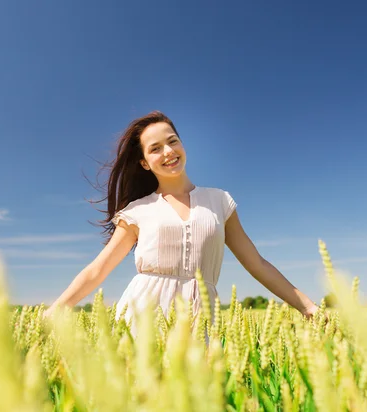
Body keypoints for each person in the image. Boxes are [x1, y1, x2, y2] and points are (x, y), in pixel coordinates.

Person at [42, 111, 319, 331]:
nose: (168, 152)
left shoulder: (220, 201)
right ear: (144, 164)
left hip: (201, 319)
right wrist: (57, 309)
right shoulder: (138, 210)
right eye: (155, 149)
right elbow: (98, 270)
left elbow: (256, 263)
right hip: (143, 319)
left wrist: (306, 306)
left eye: (172, 141)